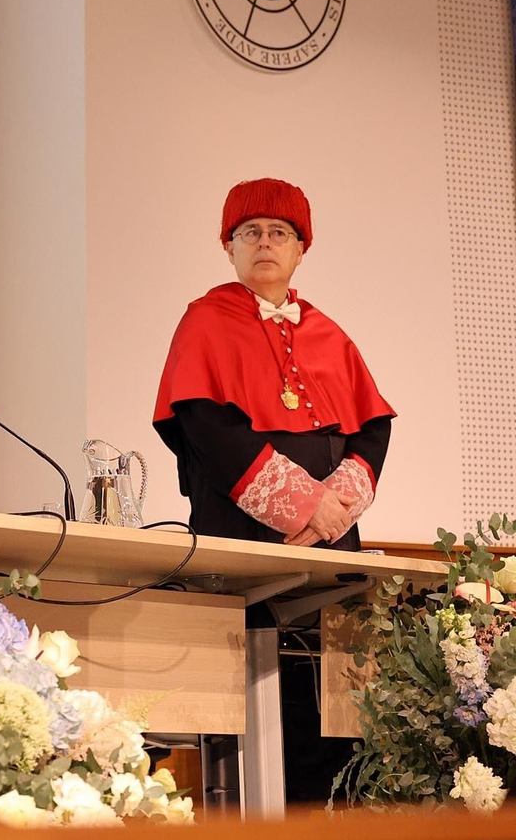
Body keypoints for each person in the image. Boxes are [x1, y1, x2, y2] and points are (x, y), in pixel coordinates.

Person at [152, 177, 394, 804]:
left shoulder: (330, 334)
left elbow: (371, 428)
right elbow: (207, 428)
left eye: (279, 233)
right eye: (250, 233)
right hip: (244, 543)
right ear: (228, 247)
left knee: (335, 711)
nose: (265, 243)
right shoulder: (204, 321)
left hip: (331, 551)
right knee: (263, 709)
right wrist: (304, 505)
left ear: (300, 249)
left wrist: (333, 510)